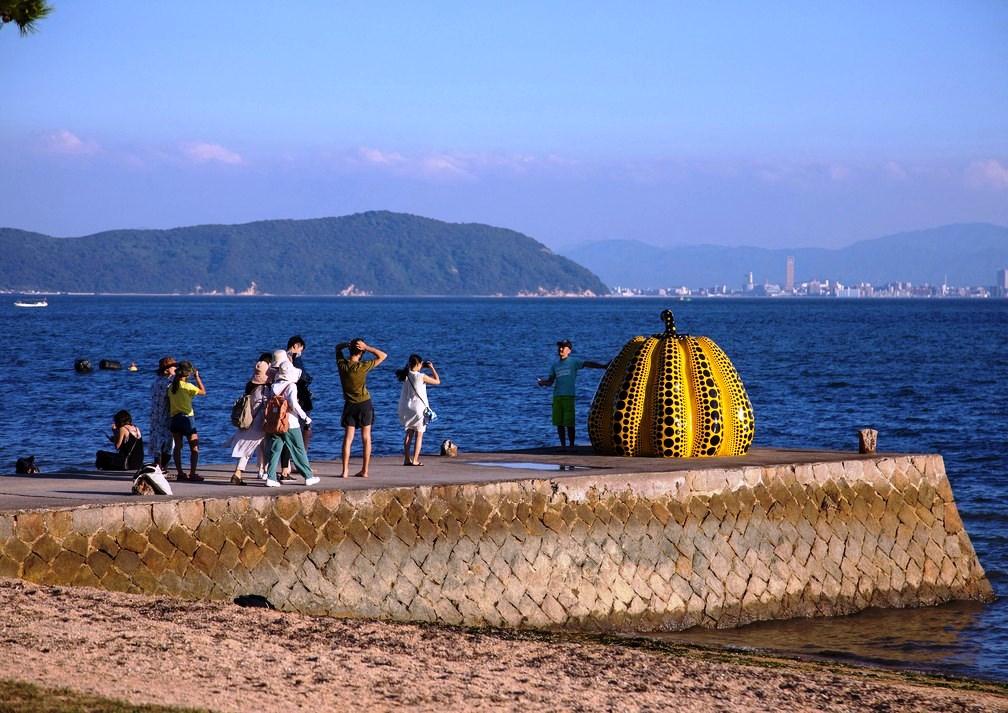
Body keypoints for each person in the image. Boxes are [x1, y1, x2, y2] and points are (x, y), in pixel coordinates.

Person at [537, 339, 609, 449]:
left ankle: (571, 446)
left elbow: (587, 363)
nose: (561, 349)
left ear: (569, 350)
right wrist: (543, 383)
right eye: (560, 347)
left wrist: (603, 366)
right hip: (557, 397)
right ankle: (563, 447)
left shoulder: (573, 362)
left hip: (568, 396)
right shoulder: (555, 365)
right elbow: (550, 382)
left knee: (569, 422)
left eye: (564, 347)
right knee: (559, 423)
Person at [263, 350, 319, 488]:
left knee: (275, 449)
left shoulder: (274, 386)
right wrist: (305, 417)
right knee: (298, 449)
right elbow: (294, 404)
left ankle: (270, 477)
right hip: (291, 422)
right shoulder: (291, 386)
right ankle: (308, 476)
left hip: (277, 422)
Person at [335, 338, 387, 478]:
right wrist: (367, 347)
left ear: (350, 350)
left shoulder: (342, 365)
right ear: (361, 352)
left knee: (348, 438)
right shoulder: (363, 366)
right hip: (365, 404)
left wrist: (347, 344)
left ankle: (345, 470)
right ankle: (365, 470)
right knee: (366, 438)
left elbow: (337, 348)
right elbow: (383, 356)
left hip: (350, 405)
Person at [227, 353, 273, 485]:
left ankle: (241, 472)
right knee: (262, 448)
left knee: (249, 448)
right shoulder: (264, 389)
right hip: (259, 423)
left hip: (248, 421)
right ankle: (265, 472)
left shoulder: (250, 387)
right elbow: (265, 407)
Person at [396, 354, 441, 466]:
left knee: (408, 433)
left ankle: (407, 459)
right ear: (418, 364)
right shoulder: (421, 376)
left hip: (406, 408)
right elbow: (437, 381)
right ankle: (415, 460)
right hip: (418, 409)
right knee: (419, 435)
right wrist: (431, 368)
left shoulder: (405, 375)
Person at [279, 335, 313, 478]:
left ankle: (286, 467)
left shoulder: (280, 359)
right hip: (297, 400)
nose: (301, 352)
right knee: (301, 430)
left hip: (283, 400)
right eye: (301, 349)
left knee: (282, 435)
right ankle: (299, 465)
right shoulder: (294, 359)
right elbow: (302, 376)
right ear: (296, 346)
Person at [168, 360, 206, 481]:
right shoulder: (188, 387)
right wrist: (197, 378)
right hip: (187, 419)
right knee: (194, 447)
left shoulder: (171, 388)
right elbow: (203, 392)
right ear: (188, 374)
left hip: (174, 419)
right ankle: (192, 473)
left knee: (178, 447)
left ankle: (180, 472)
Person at [148, 356, 176, 468]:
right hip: (167, 415)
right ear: (167, 369)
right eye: (173, 366)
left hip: (155, 415)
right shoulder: (170, 382)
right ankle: (163, 468)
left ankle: (158, 467)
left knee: (157, 442)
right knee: (168, 443)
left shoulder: (156, 381)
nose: (175, 368)